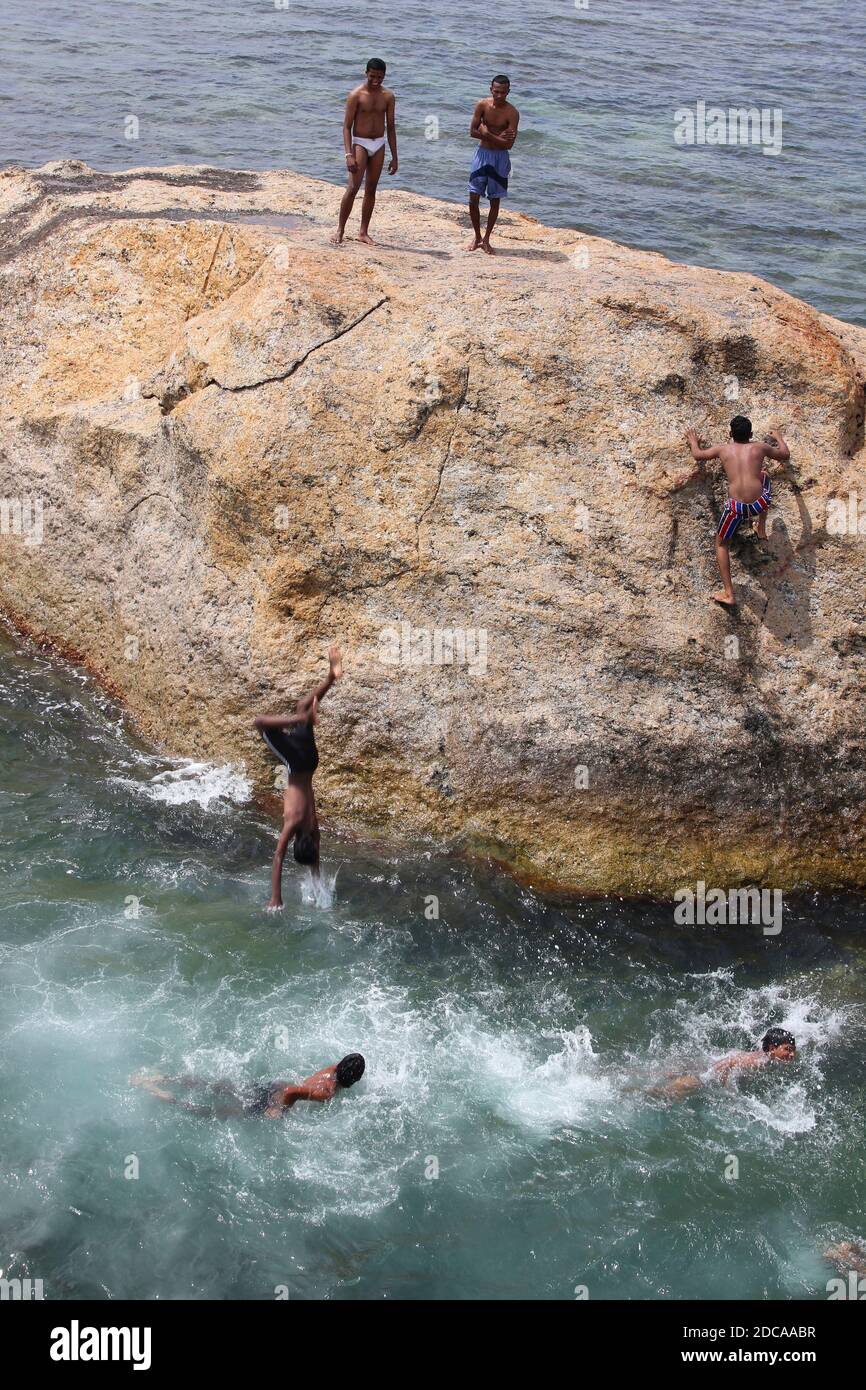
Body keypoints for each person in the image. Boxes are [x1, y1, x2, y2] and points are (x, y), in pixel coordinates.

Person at [253, 645, 342, 909]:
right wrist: (275, 898)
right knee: (260, 723)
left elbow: (313, 854)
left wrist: (316, 882)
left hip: (310, 762)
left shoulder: (313, 827)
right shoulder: (294, 823)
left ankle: (330, 678)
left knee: (301, 706)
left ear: (312, 843)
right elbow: (278, 856)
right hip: (296, 763)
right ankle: (304, 715)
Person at [680, 416, 790, 608]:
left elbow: (698, 455)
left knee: (722, 544)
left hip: (737, 510)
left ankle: (729, 593)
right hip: (758, 505)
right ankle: (761, 527)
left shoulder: (722, 449)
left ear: (730, 434)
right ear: (751, 434)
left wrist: (693, 441)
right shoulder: (760, 447)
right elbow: (784, 454)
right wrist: (779, 438)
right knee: (764, 477)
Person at [131, 1055, 366, 1119]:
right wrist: (279, 1111)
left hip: (271, 1085)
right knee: (216, 1113)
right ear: (353, 1080)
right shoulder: (327, 1093)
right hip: (275, 1097)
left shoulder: (332, 1068)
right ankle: (165, 1096)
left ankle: (163, 1078)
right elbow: (292, 1092)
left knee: (218, 1087)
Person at [332, 59, 397, 246]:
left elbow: (391, 128)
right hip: (360, 142)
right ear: (365, 73)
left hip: (379, 143)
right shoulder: (356, 95)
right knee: (353, 188)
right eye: (372, 76)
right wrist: (348, 154)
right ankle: (340, 230)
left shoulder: (388, 96)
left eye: (380, 76)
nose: (376, 80)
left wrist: (395, 156)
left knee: (371, 189)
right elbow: (346, 127)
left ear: (384, 76)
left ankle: (363, 232)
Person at [650, 1028, 797, 1101]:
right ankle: (631, 1090)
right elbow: (730, 1062)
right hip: (707, 1076)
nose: (792, 1055)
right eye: (787, 1050)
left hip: (710, 1063)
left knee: (662, 1076)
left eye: (793, 1050)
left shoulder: (764, 1056)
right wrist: (726, 1088)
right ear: (772, 1048)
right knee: (663, 1094)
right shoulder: (758, 1062)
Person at [467, 75, 519, 254]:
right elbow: (472, 132)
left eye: (503, 92)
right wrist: (493, 136)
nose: (499, 95)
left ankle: (487, 238)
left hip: (500, 158)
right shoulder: (482, 105)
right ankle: (477, 236)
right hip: (482, 155)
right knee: (473, 197)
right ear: (491, 89)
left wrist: (488, 134)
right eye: (496, 91)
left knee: (494, 199)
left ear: (508, 92)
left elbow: (508, 145)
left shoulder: (512, 113)